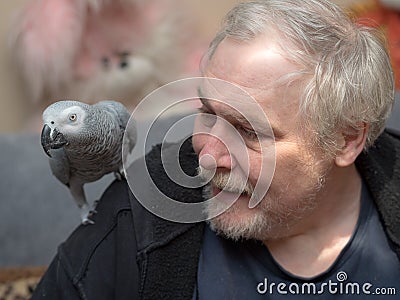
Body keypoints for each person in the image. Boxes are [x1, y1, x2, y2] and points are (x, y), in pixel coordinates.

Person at [31, 0, 400, 299]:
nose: (206, 157)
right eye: (207, 112)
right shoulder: (134, 217)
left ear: (347, 139)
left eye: (247, 131)